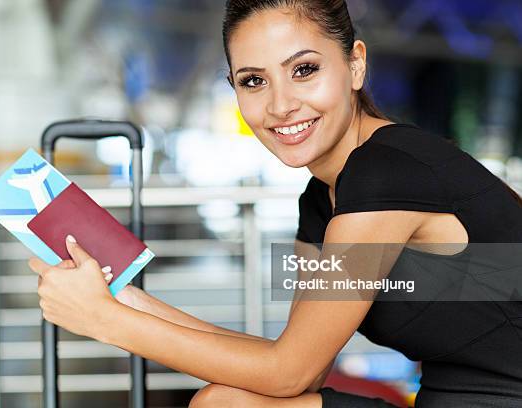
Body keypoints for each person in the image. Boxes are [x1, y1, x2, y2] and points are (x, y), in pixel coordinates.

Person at [28, 0, 522, 406]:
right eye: (254, 81)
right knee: (227, 402)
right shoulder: (322, 203)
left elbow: (289, 374)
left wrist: (105, 320)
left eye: (304, 70)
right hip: (449, 398)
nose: (281, 104)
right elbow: (297, 366)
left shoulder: (387, 173)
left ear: (355, 65)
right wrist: (123, 299)